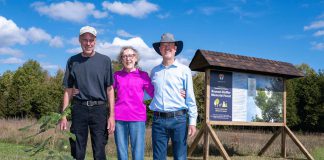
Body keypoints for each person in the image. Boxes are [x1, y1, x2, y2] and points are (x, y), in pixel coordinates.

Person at [59, 26, 115, 160]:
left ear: (95, 41)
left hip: (99, 109)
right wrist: (64, 115)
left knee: (100, 150)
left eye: (91, 40)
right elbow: (68, 90)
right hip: (79, 109)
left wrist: (111, 115)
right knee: (77, 150)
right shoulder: (72, 61)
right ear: (79, 40)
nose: (88, 43)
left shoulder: (105, 61)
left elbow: (110, 89)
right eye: (85, 40)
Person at [149, 33, 198, 160]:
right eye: (164, 45)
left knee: (180, 157)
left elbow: (190, 98)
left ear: (175, 48)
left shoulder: (184, 70)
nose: (167, 48)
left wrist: (192, 122)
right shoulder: (154, 71)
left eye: (170, 45)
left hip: (179, 120)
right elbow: (148, 93)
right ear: (160, 49)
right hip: (158, 120)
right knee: (158, 157)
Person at [113, 46, 154, 160]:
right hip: (119, 118)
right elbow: (107, 92)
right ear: (121, 59)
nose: (128, 58)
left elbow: (154, 93)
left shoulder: (143, 75)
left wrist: (178, 91)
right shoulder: (116, 75)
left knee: (138, 153)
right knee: (122, 153)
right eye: (125, 56)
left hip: (138, 118)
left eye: (131, 55)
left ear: (136, 58)